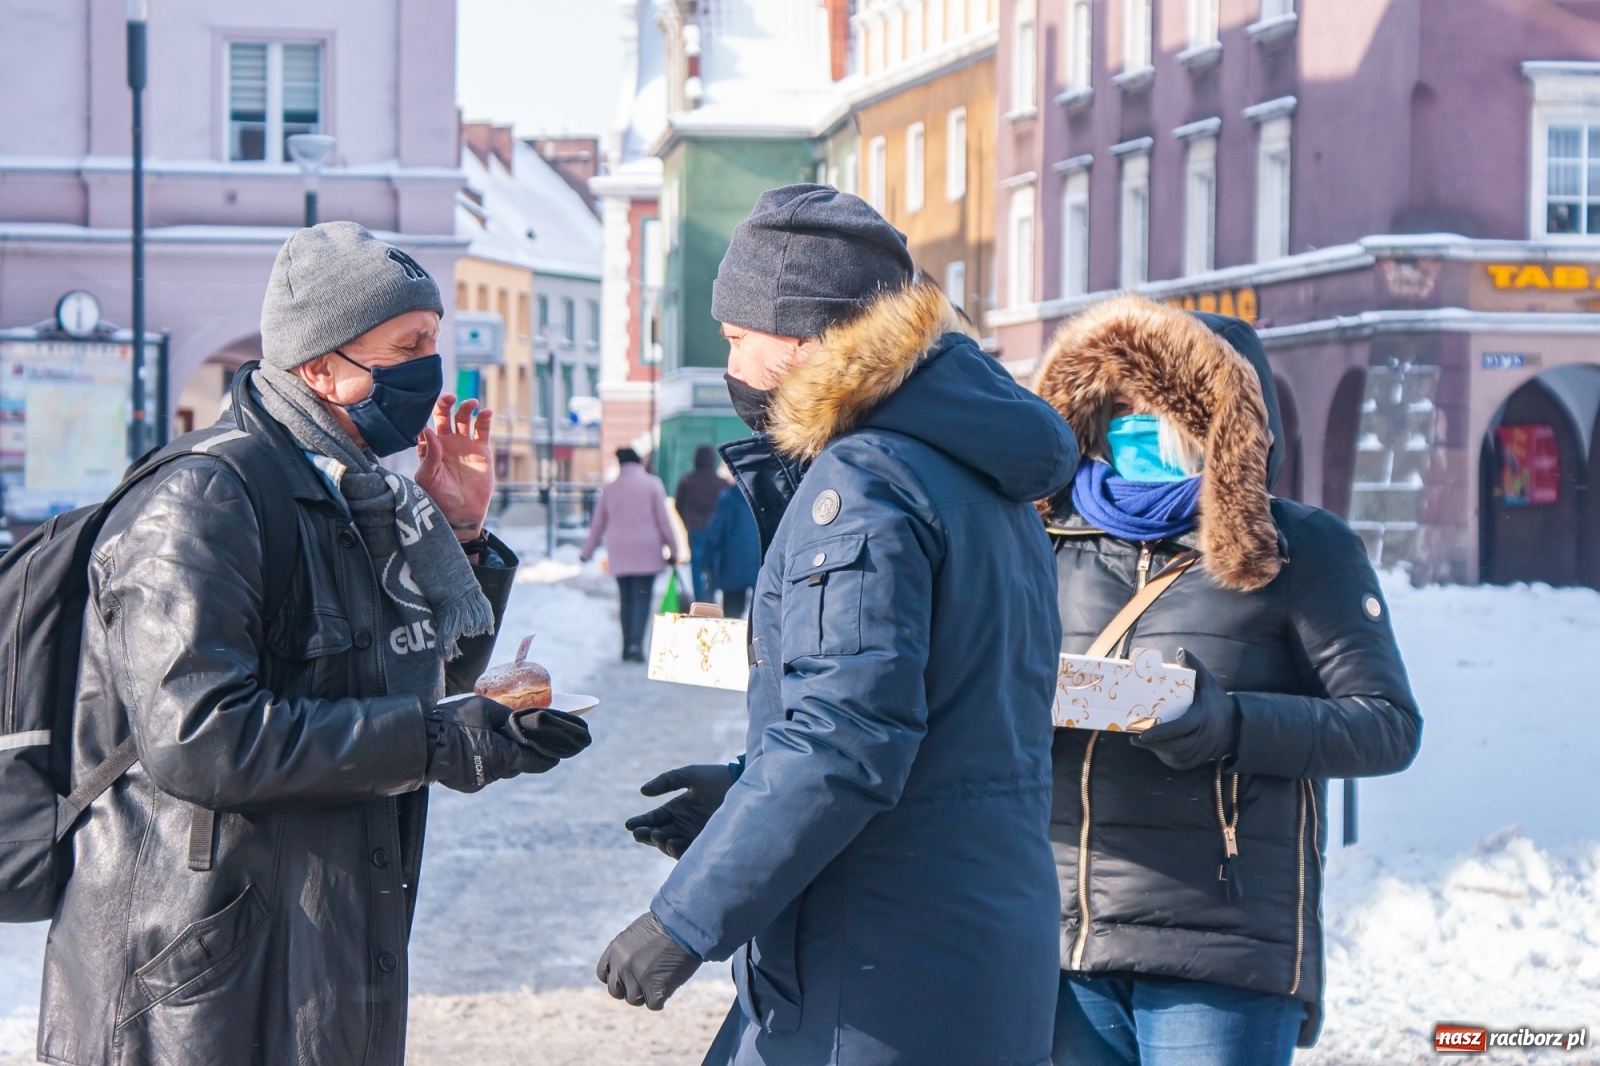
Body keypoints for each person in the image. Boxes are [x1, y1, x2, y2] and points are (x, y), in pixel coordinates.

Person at [40, 221, 592, 1066]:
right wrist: (439, 742)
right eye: (406, 347)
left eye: (432, 345)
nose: (428, 372)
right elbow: (203, 739)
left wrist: (462, 533)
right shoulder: (204, 499)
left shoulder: (357, 494)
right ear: (322, 367)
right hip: (195, 974)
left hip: (315, 944)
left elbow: (413, 676)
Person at [596, 184, 1080, 1066]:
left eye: (740, 339)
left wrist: (683, 918)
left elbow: (845, 736)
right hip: (963, 943)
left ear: (804, 339)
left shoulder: (863, 482)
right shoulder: (972, 471)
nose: (731, 362)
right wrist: (747, 788)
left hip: (876, 964)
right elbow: (944, 718)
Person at [1031, 294, 1422, 1066]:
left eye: (1155, 404)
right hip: (1061, 944)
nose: (1130, 421)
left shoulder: (1302, 549)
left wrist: (1225, 723)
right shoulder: (1045, 540)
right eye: (1117, 402)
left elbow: (1385, 724)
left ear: (1219, 420)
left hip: (1222, 952)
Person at [581, 447, 678, 661]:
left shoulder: (610, 488)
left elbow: (598, 524)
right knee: (642, 599)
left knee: (625, 599)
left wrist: (586, 552)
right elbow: (663, 520)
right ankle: (636, 645)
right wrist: (673, 548)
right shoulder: (653, 484)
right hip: (648, 549)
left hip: (620, 550)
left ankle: (626, 646)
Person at [675, 444, 730, 604]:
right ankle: (711, 596)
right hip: (716, 531)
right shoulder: (721, 483)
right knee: (713, 564)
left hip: (695, 528)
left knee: (697, 565)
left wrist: (687, 521)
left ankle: (700, 599)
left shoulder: (687, 481)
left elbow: (679, 504)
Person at [699, 481, 760, 619]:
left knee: (732, 615)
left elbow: (715, 533)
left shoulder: (728, 496)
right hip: (759, 562)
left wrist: (706, 561)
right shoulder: (765, 495)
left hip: (732, 563)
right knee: (760, 614)